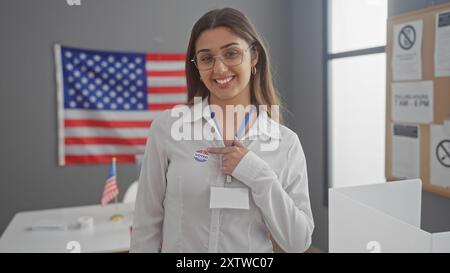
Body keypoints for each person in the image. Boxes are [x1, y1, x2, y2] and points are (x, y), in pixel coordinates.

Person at [130, 7, 314, 253]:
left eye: (231, 53)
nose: (219, 69)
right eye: (206, 58)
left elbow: (298, 242)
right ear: (197, 66)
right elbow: (146, 226)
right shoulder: (167, 128)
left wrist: (257, 174)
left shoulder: (285, 143)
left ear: (254, 56)